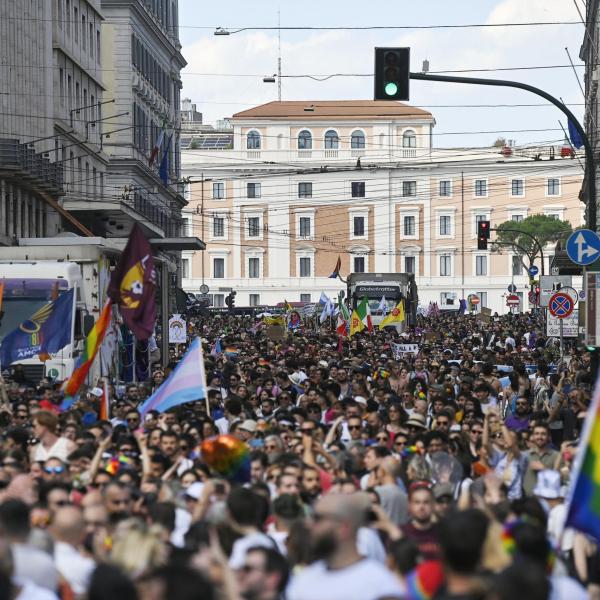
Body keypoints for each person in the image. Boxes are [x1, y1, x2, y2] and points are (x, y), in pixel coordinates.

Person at [287, 493, 404, 600]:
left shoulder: (380, 586)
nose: (308, 524)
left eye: (317, 518)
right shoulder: (304, 580)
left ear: (343, 528)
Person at [401, 482, 440, 561]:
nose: (421, 507)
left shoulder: (443, 533)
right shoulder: (401, 533)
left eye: (426, 502)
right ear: (410, 506)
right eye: (417, 502)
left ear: (433, 505)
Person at [523, 423, 558, 497]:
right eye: (537, 433)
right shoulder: (524, 455)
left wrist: (544, 470)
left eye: (543, 434)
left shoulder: (557, 456)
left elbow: (563, 480)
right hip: (527, 502)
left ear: (548, 437)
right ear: (532, 436)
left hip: (548, 502)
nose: (539, 437)